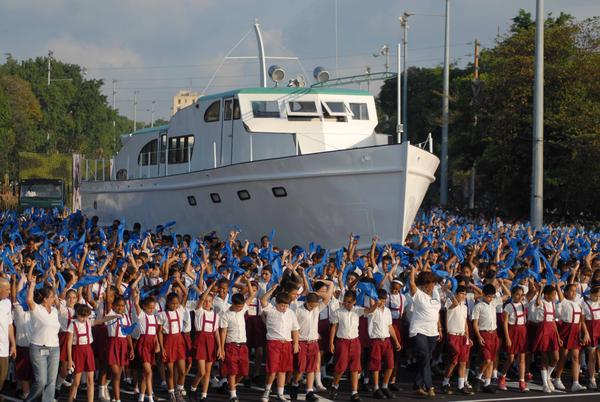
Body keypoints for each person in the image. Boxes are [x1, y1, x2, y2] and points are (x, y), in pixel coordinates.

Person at [328, 289, 376, 402]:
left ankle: (354, 392)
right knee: (340, 367)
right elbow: (334, 327)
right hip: (342, 341)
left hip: (355, 342)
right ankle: (335, 385)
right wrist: (331, 342)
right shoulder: (338, 312)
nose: (347, 304)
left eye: (349, 302)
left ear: (354, 301)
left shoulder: (357, 310)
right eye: (345, 301)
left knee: (355, 368)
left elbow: (370, 310)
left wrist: (375, 301)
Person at [66, 304, 117, 402]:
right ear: (77, 314)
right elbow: (69, 343)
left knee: (90, 380)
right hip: (77, 351)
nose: (84, 319)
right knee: (76, 381)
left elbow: (102, 320)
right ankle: (70, 399)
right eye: (82, 316)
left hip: (88, 350)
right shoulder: (73, 324)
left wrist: (115, 316)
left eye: (86, 316)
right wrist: (70, 360)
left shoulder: (89, 322)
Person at [260, 286, 300, 402]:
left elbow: (295, 329)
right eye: (282, 305)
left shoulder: (291, 313)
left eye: (286, 305)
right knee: (272, 370)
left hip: (287, 343)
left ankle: (280, 394)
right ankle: (267, 391)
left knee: (282, 370)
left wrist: (296, 343)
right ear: (276, 303)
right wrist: (272, 290)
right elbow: (263, 300)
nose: (284, 308)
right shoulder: (271, 310)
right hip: (274, 343)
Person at [219, 280, 256, 402]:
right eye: (238, 306)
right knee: (232, 371)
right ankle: (233, 395)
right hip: (231, 346)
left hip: (243, 345)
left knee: (244, 372)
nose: (241, 308)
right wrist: (221, 348)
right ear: (233, 304)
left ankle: (230, 387)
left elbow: (251, 295)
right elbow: (223, 332)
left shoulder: (243, 309)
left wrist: (248, 282)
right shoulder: (226, 315)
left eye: (242, 306)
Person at [24, 281, 61, 402]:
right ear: (45, 299)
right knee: (41, 380)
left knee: (51, 381)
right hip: (38, 348)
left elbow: (59, 299)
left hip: (54, 349)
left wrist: (53, 282)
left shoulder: (55, 311)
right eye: (51, 297)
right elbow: (29, 300)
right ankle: (30, 399)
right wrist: (32, 286)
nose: (54, 298)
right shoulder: (37, 309)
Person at [407, 269, 442, 397]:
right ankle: (429, 386)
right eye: (430, 284)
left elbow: (436, 314)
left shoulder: (436, 295)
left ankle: (417, 384)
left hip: (433, 332)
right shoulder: (419, 295)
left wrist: (440, 329)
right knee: (424, 356)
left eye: (433, 284)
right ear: (423, 285)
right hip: (419, 330)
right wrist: (413, 271)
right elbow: (411, 283)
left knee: (425, 358)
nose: (432, 286)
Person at [471, 283, 508, 393]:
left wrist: (501, 284)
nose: (491, 298)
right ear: (483, 294)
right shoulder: (478, 306)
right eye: (488, 296)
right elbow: (475, 324)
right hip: (484, 334)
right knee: (487, 360)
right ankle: (478, 377)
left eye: (492, 296)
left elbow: (508, 294)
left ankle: (487, 383)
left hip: (494, 334)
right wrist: (478, 337)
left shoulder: (493, 303)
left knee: (491, 360)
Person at [367, 288, 401, 399]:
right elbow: (370, 310)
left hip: (387, 341)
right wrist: (375, 304)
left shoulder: (387, 311)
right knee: (376, 366)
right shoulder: (372, 309)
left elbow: (390, 326)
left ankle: (385, 386)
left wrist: (396, 341)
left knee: (390, 365)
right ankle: (376, 388)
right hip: (376, 340)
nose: (382, 301)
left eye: (384, 299)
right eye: (380, 299)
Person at [191, 281, 222, 402]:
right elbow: (202, 297)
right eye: (205, 301)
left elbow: (216, 333)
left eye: (209, 301)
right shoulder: (199, 311)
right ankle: (193, 388)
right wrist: (210, 287)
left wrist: (219, 347)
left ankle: (204, 395)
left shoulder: (216, 316)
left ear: (212, 303)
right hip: (200, 341)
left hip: (210, 343)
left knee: (208, 372)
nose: (207, 303)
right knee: (201, 372)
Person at [554, 283, 589, 392]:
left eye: (575, 291)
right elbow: (559, 292)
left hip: (575, 331)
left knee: (576, 357)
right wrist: (558, 286)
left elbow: (580, 321)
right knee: (563, 356)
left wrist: (583, 334)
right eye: (571, 291)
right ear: (565, 293)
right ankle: (557, 378)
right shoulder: (564, 302)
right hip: (566, 330)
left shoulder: (578, 304)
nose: (574, 293)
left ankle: (575, 382)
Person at [530, 282, 561, 393]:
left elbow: (553, 321)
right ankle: (544, 383)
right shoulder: (541, 302)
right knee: (544, 357)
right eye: (553, 295)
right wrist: (540, 289)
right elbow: (538, 301)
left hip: (552, 331)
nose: (554, 297)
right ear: (546, 295)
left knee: (556, 358)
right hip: (543, 330)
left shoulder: (552, 304)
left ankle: (548, 376)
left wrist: (558, 336)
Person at [442, 285, 473, 395]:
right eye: (461, 293)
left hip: (462, 336)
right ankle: (445, 382)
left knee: (463, 361)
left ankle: (461, 386)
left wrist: (468, 337)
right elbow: (455, 303)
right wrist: (448, 291)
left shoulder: (464, 307)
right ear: (456, 294)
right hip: (453, 335)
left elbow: (465, 323)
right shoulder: (450, 303)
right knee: (453, 361)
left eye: (465, 294)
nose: (463, 296)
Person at [499, 285, 530, 392]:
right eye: (517, 294)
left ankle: (521, 381)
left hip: (522, 332)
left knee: (522, 357)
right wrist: (507, 337)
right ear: (512, 295)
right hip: (512, 331)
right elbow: (505, 323)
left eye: (521, 295)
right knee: (511, 358)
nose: (519, 296)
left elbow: (533, 294)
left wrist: (538, 288)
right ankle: (502, 377)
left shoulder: (523, 304)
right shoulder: (508, 307)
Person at [0, 278, 15, 400]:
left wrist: (13, 344)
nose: (9, 292)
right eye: (7, 289)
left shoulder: (7, 303)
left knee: (3, 376)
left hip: (4, 348)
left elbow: (10, 324)